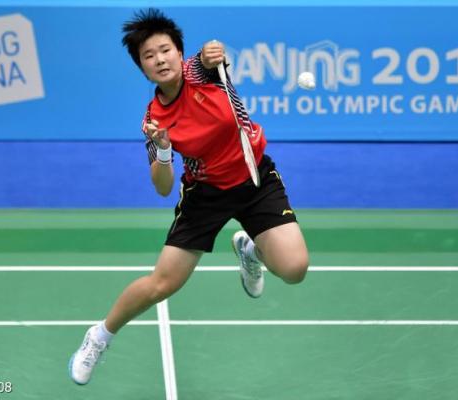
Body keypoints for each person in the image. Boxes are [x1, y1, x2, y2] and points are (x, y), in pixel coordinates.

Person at [69, 8, 309, 385]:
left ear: (179, 53)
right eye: (149, 56)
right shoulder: (153, 120)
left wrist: (213, 52)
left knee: (294, 269)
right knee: (163, 284)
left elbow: (209, 57)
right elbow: (163, 187)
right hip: (206, 193)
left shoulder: (199, 72)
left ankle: (251, 250)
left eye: (165, 50)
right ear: (142, 69)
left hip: (254, 177)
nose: (160, 60)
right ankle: (99, 336)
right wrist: (164, 149)